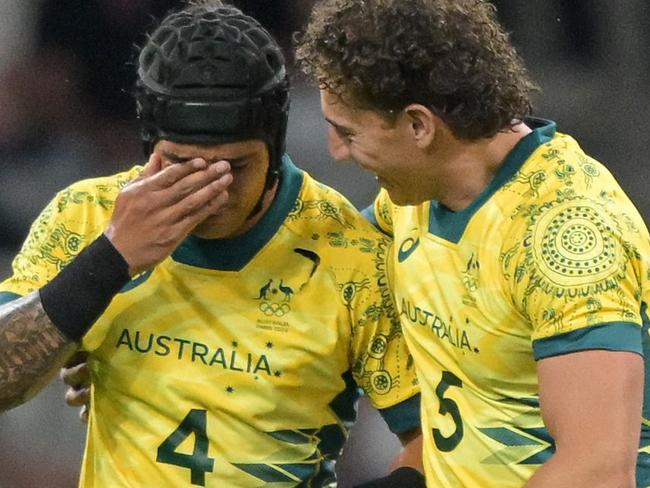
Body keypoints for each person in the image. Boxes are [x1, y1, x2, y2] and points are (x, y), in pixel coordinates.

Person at [0, 1, 426, 486]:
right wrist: (109, 261)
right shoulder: (86, 220)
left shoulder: (349, 252)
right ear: (147, 144)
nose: (211, 192)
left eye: (236, 168)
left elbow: (434, 439)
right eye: (181, 165)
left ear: (275, 142)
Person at [296, 0, 650, 486]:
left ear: (419, 125)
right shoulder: (416, 196)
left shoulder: (565, 237)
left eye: (349, 132)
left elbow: (598, 471)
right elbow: (325, 246)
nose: (336, 151)